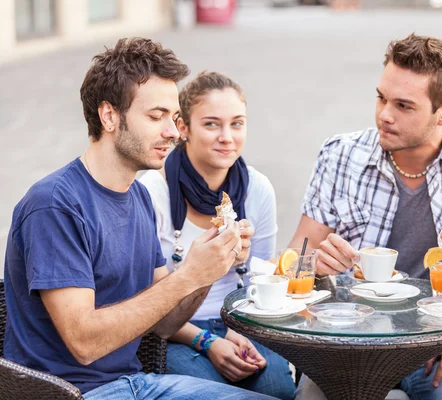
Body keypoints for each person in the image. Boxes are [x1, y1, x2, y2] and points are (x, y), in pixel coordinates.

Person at [3, 37, 274, 400]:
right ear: (110, 115)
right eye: (156, 116)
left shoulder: (139, 196)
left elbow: (164, 324)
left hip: (137, 384)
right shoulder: (55, 205)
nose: (175, 133)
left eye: (174, 118)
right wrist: (188, 276)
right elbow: (84, 342)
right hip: (70, 393)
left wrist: (208, 269)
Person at [290, 33, 442, 400]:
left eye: (404, 106)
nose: (384, 115)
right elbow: (294, 261)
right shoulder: (341, 155)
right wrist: (314, 264)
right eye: (381, 97)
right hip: (353, 341)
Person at [139, 71, 295, 399]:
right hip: (171, 332)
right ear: (183, 128)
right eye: (211, 124)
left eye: (237, 124)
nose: (227, 137)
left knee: (278, 388)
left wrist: (239, 330)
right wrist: (207, 341)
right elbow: (145, 304)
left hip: (238, 321)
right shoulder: (151, 192)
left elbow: (260, 278)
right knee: (212, 391)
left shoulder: (257, 190)